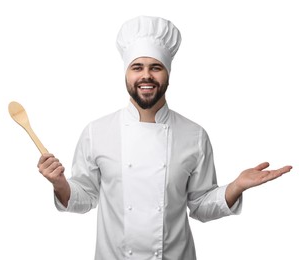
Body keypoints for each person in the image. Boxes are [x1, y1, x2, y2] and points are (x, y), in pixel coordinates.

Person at [37, 15, 292, 260]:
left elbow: (201, 205)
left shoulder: (194, 135)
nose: (146, 76)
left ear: (167, 73)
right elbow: (85, 198)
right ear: (127, 74)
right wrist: (60, 183)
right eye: (137, 67)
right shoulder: (97, 132)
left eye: (155, 67)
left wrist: (236, 186)